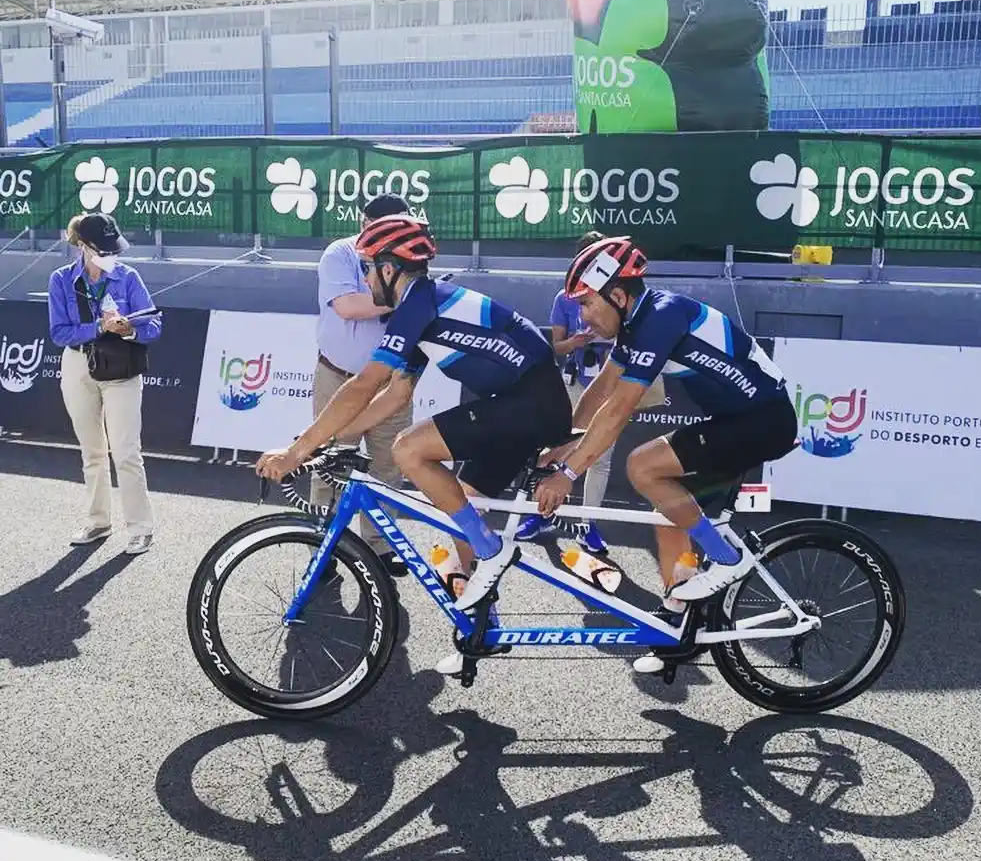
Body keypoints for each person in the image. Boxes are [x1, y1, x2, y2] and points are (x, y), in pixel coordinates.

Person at [255, 214, 573, 668]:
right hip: (524, 402)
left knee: (408, 448)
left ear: (390, 269)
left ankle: (491, 551)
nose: (365, 278)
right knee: (462, 505)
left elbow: (365, 384)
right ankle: (484, 627)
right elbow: (396, 393)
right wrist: (332, 442)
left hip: (529, 404)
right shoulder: (425, 306)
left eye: (369, 268)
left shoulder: (416, 306)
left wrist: (297, 450)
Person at [532, 235, 798, 673]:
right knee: (667, 516)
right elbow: (602, 387)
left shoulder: (661, 316)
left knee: (643, 466)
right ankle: (680, 624)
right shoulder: (635, 323)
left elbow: (619, 408)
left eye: (587, 304)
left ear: (618, 296)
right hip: (734, 421)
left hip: (764, 420)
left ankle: (728, 560)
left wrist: (568, 472)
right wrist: (562, 440)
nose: (583, 316)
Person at [312, 192, 415, 578]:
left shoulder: (412, 260)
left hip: (391, 382)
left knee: (389, 466)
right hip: (338, 376)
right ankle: (323, 546)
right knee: (329, 463)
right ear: (364, 224)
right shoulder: (339, 254)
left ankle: (380, 547)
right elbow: (349, 306)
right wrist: (399, 301)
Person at [47, 212, 162, 556]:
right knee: (92, 451)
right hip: (78, 363)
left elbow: (154, 325)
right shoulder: (61, 280)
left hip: (121, 368)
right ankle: (98, 521)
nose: (113, 255)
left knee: (126, 450)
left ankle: (141, 528)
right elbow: (58, 332)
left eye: (115, 248)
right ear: (82, 245)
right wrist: (98, 327)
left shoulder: (129, 277)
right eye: (105, 249)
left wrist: (129, 329)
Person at [515, 231, 614, 554]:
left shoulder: (617, 295)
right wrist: (576, 342)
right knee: (559, 450)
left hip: (610, 381)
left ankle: (588, 525)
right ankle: (544, 514)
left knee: (600, 459)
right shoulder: (564, 298)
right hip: (573, 380)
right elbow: (556, 345)